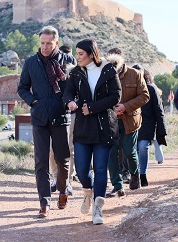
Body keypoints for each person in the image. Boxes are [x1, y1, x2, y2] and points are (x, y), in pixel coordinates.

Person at [17, 26, 76, 218]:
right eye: (42, 43)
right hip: (39, 117)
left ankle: (63, 190)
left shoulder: (69, 61)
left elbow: (75, 88)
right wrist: (33, 102)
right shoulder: (31, 62)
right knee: (41, 161)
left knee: (63, 158)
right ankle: (44, 202)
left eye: (49, 43)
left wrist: (68, 103)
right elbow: (22, 88)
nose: (45, 47)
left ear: (56, 43)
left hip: (61, 116)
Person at [63, 39, 121, 225]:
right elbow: (68, 92)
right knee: (81, 170)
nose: (78, 57)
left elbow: (116, 96)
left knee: (101, 169)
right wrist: (70, 102)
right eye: (77, 54)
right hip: (83, 127)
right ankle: (88, 191)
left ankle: (98, 208)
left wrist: (93, 107)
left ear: (91, 54)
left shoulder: (108, 70)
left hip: (105, 127)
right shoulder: (76, 72)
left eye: (81, 54)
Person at [105, 48, 149, 197]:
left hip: (130, 120)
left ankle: (135, 174)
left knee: (129, 151)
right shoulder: (104, 75)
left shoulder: (135, 74)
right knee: (112, 154)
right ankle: (117, 185)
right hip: (110, 120)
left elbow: (144, 96)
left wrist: (125, 106)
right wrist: (111, 109)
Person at [49, 44, 76, 195]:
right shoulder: (46, 64)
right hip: (52, 111)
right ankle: (55, 178)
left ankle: (67, 181)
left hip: (70, 112)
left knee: (69, 148)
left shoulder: (73, 66)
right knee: (52, 149)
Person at [134, 66, 167, 187]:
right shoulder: (128, 88)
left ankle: (142, 174)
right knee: (133, 151)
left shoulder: (151, 89)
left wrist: (161, 129)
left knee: (143, 147)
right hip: (131, 124)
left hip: (147, 124)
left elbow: (159, 110)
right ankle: (134, 175)